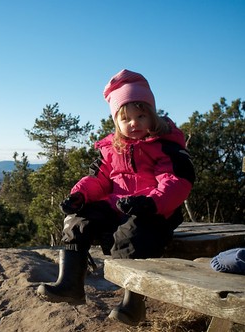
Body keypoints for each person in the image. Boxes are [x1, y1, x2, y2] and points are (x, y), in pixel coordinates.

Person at [37, 69, 195, 326]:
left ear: (152, 115)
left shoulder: (165, 145)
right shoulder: (111, 148)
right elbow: (98, 180)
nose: (134, 123)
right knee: (78, 220)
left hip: (155, 210)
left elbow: (176, 181)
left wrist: (151, 202)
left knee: (131, 234)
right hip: (117, 206)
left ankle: (133, 304)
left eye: (141, 115)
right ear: (116, 122)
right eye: (126, 118)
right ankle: (70, 284)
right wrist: (79, 195)